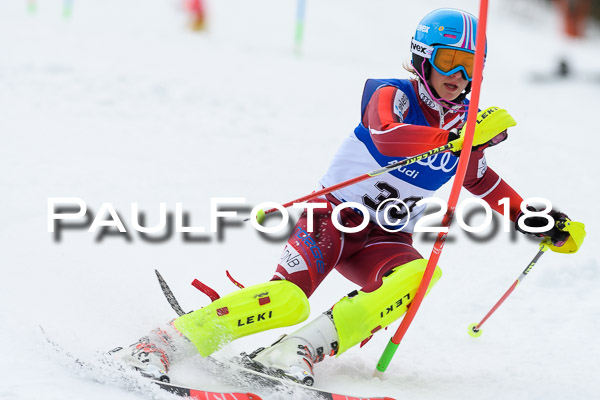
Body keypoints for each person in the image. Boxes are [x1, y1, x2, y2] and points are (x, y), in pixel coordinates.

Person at [111, 8, 585, 386]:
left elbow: (483, 181)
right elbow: (388, 137)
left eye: (472, 67)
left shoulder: (467, 128)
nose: (459, 76)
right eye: (449, 62)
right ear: (423, 58)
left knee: (420, 276)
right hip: (333, 220)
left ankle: (295, 352)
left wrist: (540, 222)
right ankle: (160, 344)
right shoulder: (391, 94)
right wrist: (453, 138)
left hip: (384, 236)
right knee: (287, 300)